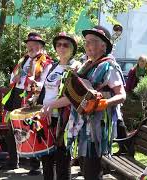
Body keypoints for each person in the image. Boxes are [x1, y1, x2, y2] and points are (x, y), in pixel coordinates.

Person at [41, 26, 126, 180]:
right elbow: (75, 96)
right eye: (86, 42)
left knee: (92, 171)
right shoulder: (86, 66)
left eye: (92, 41)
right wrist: (51, 104)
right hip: (81, 126)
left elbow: (122, 95)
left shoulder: (110, 66)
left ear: (103, 46)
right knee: (86, 169)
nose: (87, 45)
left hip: (97, 128)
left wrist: (104, 103)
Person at [0, 32, 52, 175]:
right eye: (29, 45)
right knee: (12, 128)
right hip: (16, 95)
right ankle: (13, 161)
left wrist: (36, 83)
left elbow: (47, 83)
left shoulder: (46, 62)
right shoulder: (23, 61)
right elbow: (12, 78)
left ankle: (35, 166)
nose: (31, 48)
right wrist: (15, 78)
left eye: (35, 45)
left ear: (41, 47)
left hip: (32, 96)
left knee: (31, 128)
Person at [39, 32, 81, 180]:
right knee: (46, 158)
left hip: (64, 119)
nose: (61, 47)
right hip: (47, 118)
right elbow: (47, 90)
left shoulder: (76, 67)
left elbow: (74, 96)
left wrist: (51, 106)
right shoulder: (53, 66)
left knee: (62, 159)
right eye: (58, 44)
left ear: (73, 48)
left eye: (66, 45)